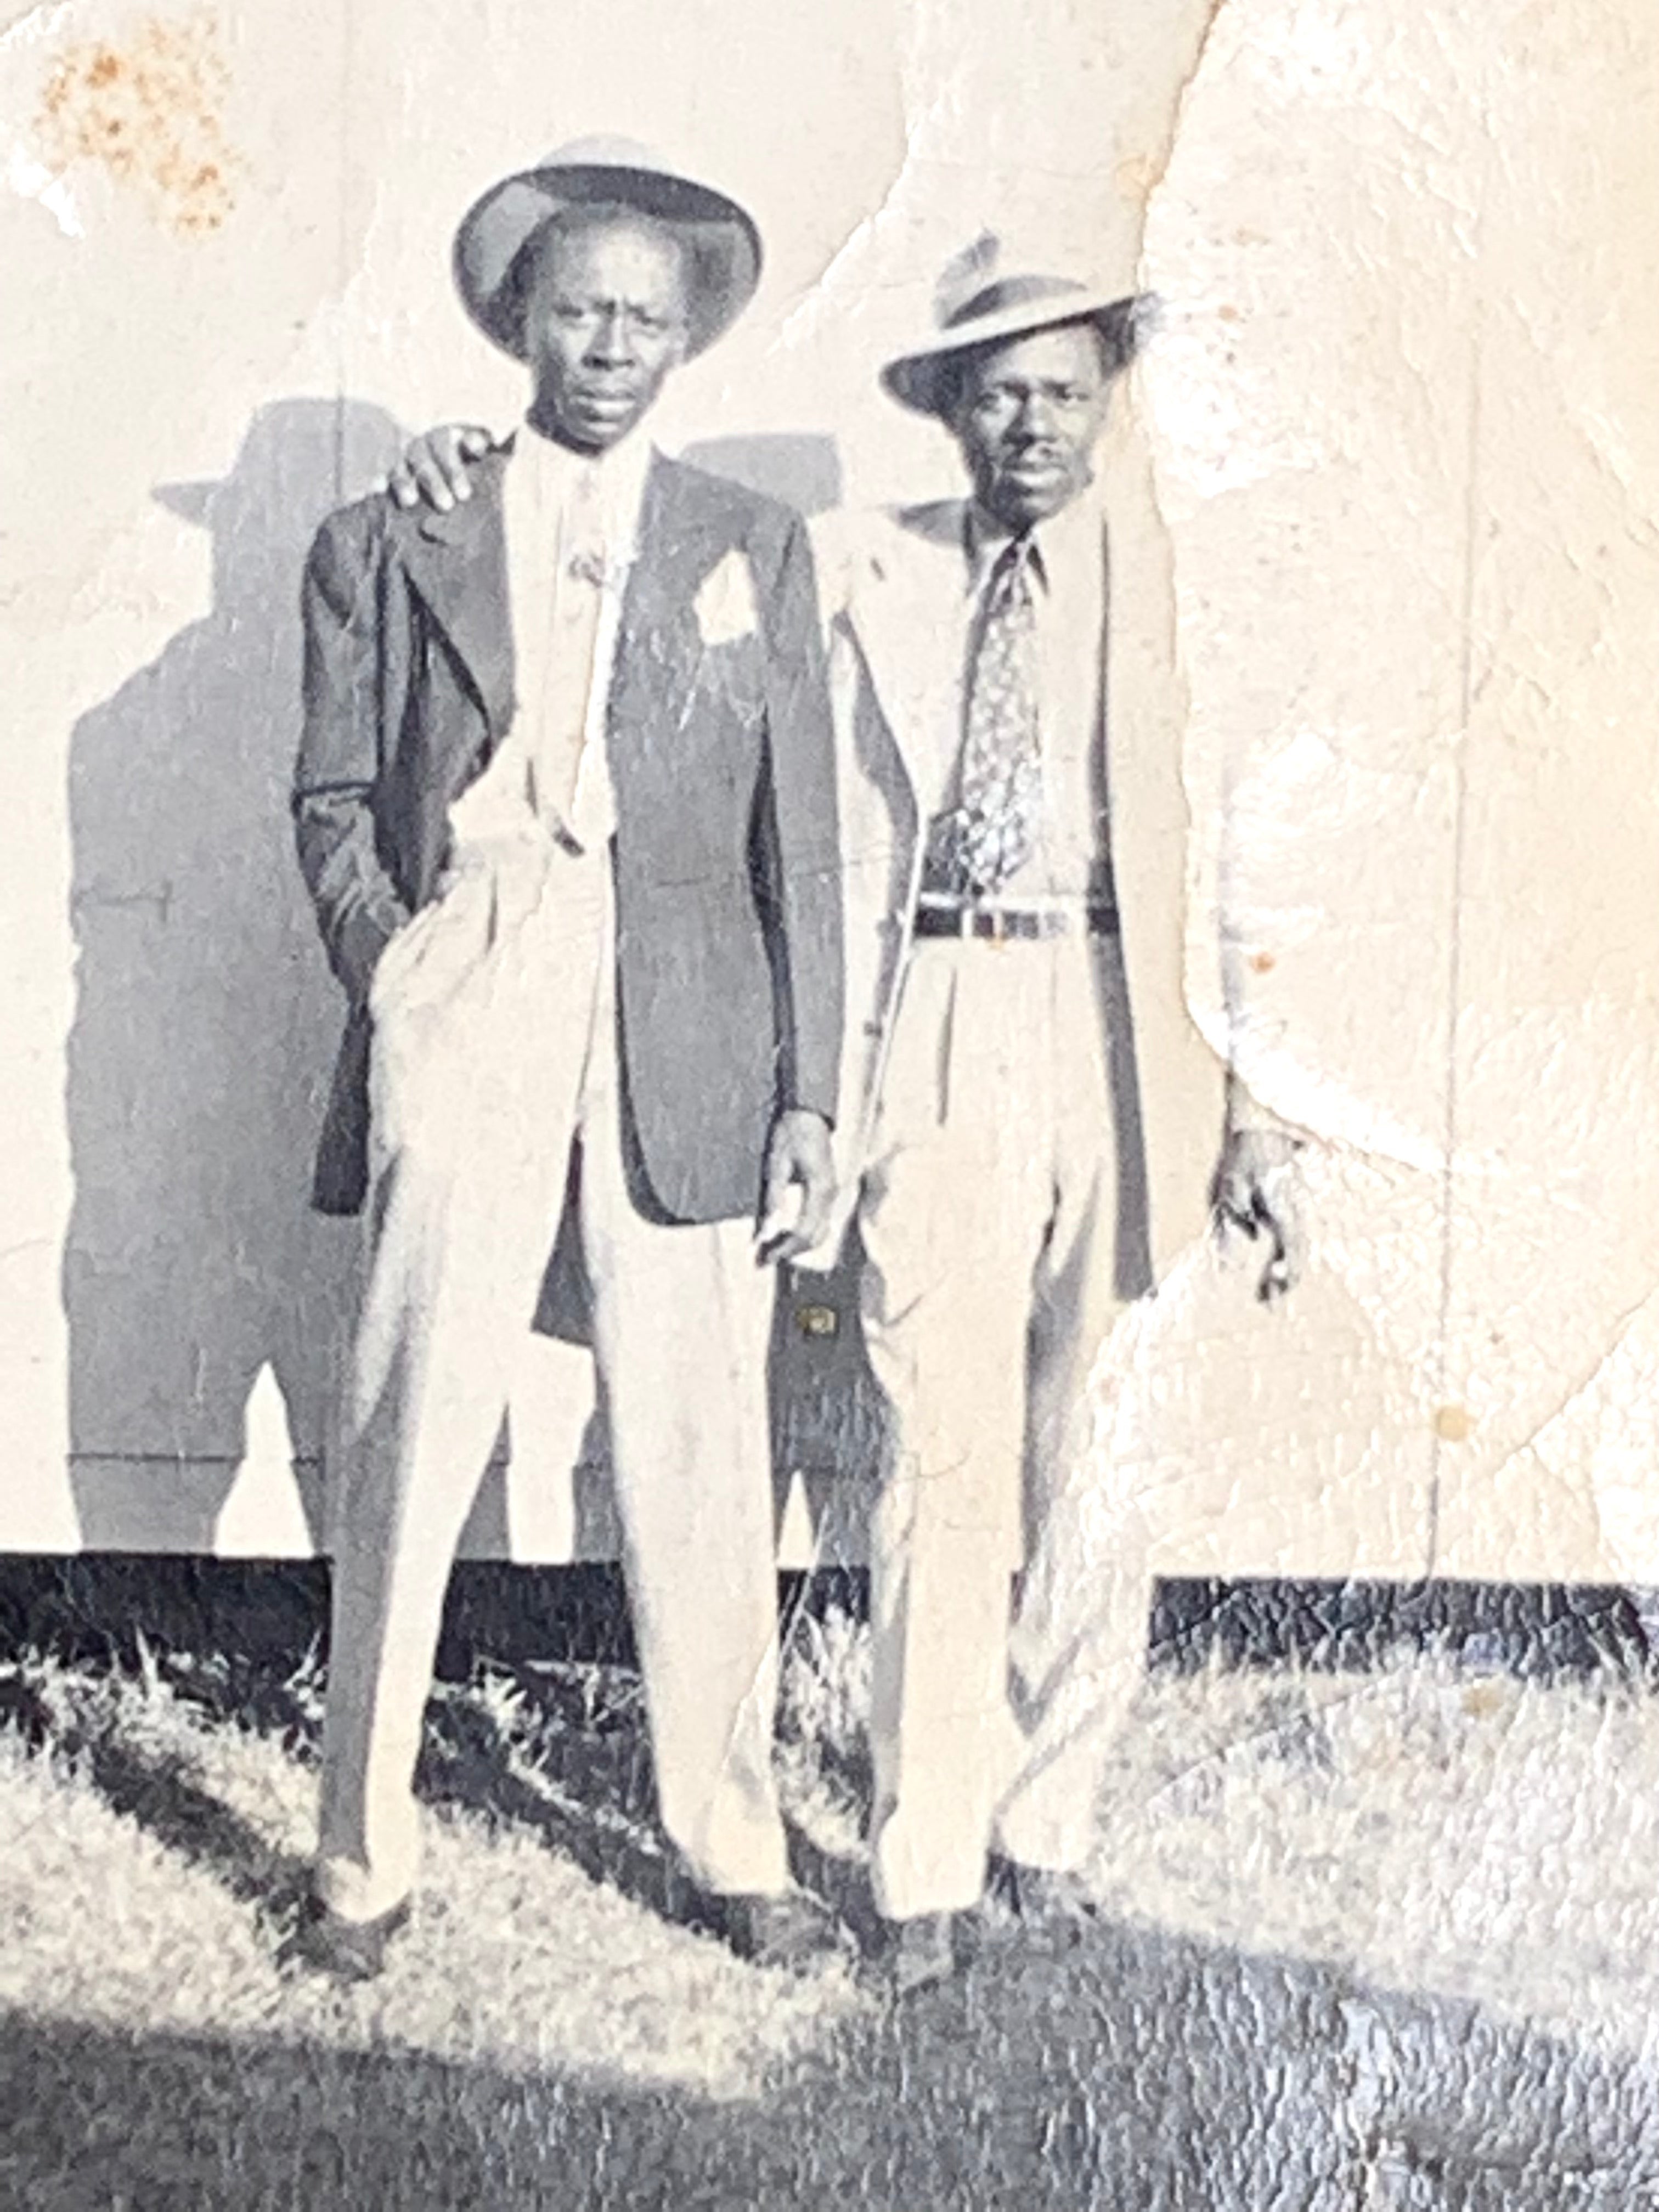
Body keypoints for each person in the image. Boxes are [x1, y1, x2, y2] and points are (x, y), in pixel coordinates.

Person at [391, 236, 1304, 1995]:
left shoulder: (1192, 591)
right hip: (932, 1031)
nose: (1030, 422)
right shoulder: (854, 567)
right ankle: (927, 1869)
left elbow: (1250, 874)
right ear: (952, 410)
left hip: (1125, 1033)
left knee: (1097, 1467)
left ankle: (1047, 1832)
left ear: (1110, 396)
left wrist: (1256, 1111)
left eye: (1062, 388)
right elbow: (643, 602)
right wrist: (457, 464)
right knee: (939, 1463)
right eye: (998, 391)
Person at [291, 138, 844, 1980]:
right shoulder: (396, 529)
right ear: (523, 317)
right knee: (408, 1421)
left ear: (687, 343)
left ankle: (731, 1840)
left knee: (694, 1439)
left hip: (687, 1005)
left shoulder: (750, 545)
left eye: (645, 316)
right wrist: (400, 971)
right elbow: (328, 799)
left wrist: (810, 1097)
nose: (610, 341)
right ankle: (359, 1865)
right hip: (485, 967)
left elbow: (807, 851)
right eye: (580, 306)